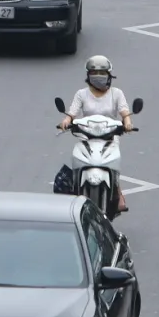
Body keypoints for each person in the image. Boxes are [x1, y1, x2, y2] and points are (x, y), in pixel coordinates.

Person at [58, 55, 136, 211]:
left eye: (102, 73)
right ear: (88, 75)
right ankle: (75, 189)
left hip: (110, 137)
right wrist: (66, 122)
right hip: (86, 136)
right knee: (76, 166)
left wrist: (127, 124)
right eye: (95, 74)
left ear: (109, 75)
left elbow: (125, 112)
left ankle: (118, 193)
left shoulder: (117, 94)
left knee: (113, 167)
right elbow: (72, 113)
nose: (99, 77)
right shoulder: (81, 94)